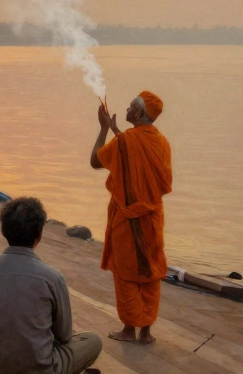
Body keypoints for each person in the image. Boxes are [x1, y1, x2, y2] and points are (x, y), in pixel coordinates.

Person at [0, 197, 102, 374]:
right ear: (39, 236)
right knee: (92, 340)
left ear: (4, 232)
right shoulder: (52, 277)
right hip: (39, 369)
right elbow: (64, 335)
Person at [91, 92, 173, 345]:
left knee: (126, 272)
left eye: (130, 106)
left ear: (137, 114)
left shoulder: (126, 141)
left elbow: (96, 161)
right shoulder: (161, 142)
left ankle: (128, 329)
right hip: (151, 217)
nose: (126, 109)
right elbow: (152, 174)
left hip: (127, 218)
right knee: (150, 270)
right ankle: (146, 331)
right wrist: (117, 131)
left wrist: (104, 128)